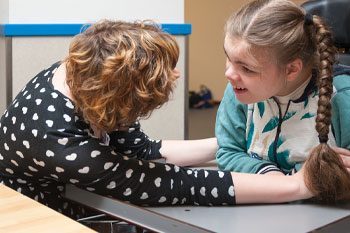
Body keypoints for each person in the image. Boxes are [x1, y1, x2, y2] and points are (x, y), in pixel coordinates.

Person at [0, 19, 311, 221]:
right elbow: (177, 184)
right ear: (120, 100)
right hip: (32, 216)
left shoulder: (83, 71)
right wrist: (296, 185)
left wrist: (234, 143)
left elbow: (142, 152)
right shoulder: (62, 142)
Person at [216, 0, 350, 203]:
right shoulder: (239, 90)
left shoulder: (341, 97)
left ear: (291, 69)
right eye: (229, 58)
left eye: (247, 68)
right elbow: (227, 152)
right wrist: (281, 182)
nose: (229, 74)